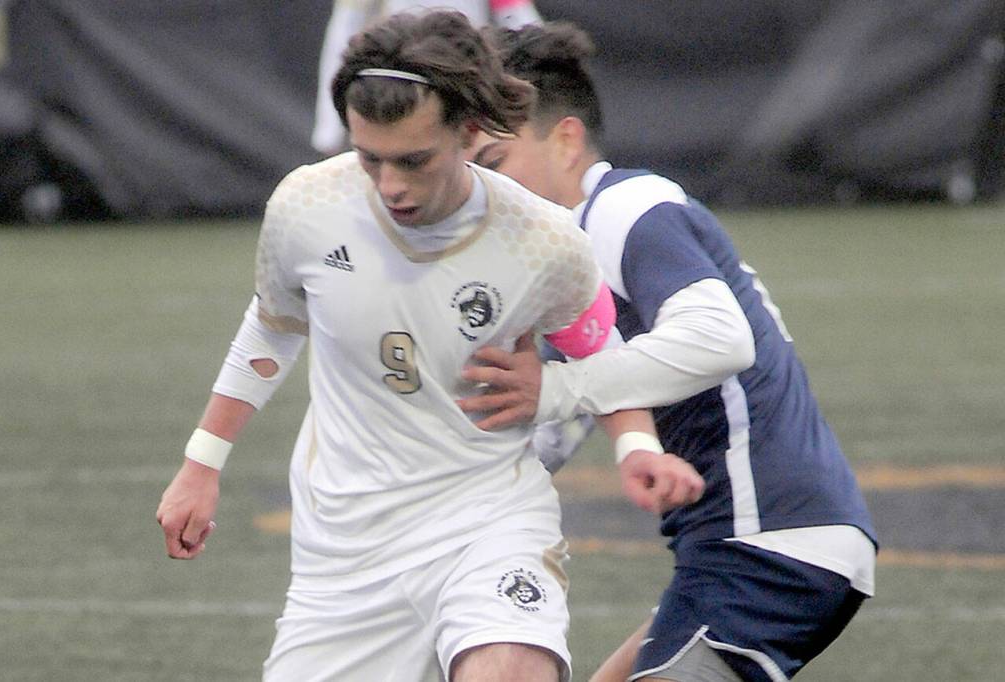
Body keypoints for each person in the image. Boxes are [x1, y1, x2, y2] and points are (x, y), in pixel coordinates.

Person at [156, 11, 703, 682]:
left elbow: (597, 348)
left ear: (471, 133)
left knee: (509, 672)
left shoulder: (542, 239)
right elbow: (273, 324)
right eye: (370, 159)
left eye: (414, 160)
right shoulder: (305, 206)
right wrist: (202, 463)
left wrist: (636, 447)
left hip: (487, 518)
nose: (390, 186)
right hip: (346, 548)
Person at [458, 22, 878, 682]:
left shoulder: (625, 206)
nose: (481, 193)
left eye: (493, 165)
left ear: (565, 140)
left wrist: (554, 391)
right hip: (739, 549)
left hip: (766, 543)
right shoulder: (561, 264)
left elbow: (720, 338)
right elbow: (561, 425)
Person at [312, 0, 542, 156]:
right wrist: (329, 130)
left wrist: (551, 69)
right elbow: (345, 28)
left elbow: (518, 17)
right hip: (395, 89)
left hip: (464, 86)